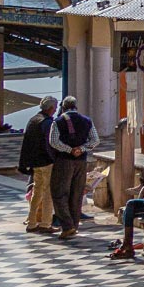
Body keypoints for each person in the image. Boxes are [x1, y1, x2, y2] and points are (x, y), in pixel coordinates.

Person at [47, 94, 99, 237]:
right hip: (81, 161)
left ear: (63, 107)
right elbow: (95, 140)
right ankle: (74, 226)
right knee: (76, 194)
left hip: (64, 160)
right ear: (76, 106)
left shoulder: (58, 122)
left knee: (59, 193)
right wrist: (81, 149)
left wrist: (70, 150)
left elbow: (53, 141)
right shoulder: (86, 121)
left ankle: (67, 225)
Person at [18, 96, 59, 233]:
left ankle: (31, 222)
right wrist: (54, 157)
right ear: (51, 109)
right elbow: (50, 143)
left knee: (37, 191)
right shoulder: (47, 122)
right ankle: (46, 223)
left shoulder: (33, 120)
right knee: (48, 193)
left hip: (35, 162)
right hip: (46, 161)